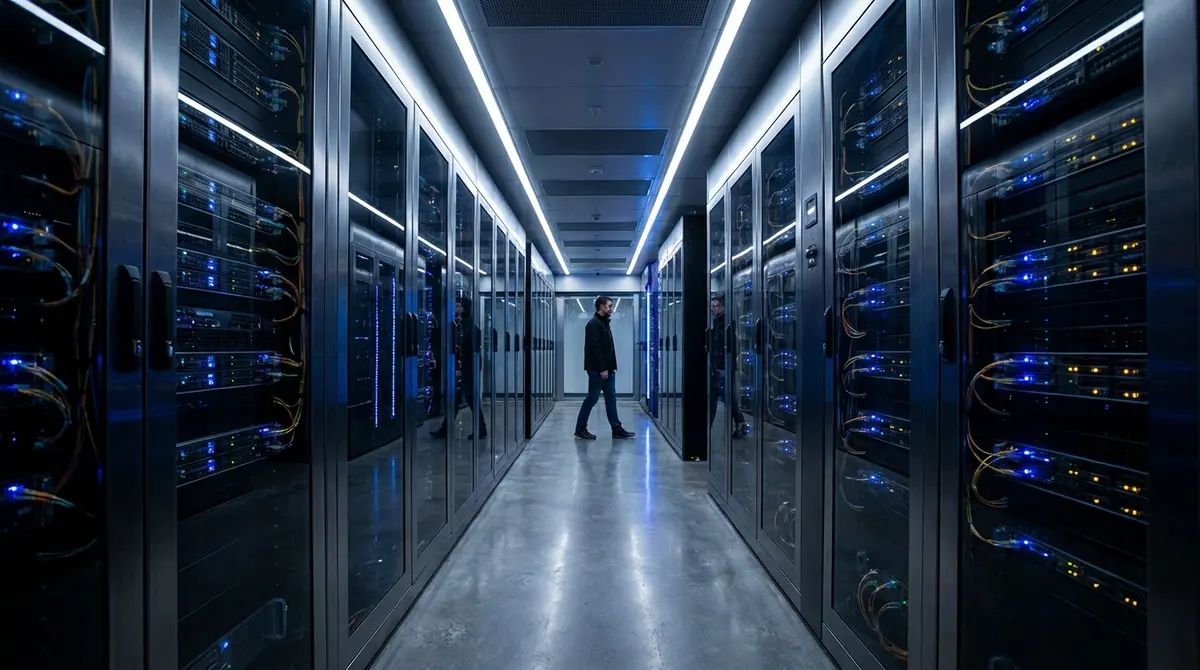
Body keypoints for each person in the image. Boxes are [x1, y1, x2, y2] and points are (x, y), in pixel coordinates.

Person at [574, 296, 635, 441]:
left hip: (607, 369)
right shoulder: (594, 324)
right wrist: (602, 369)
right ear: (601, 307)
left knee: (611, 399)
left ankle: (616, 428)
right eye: (609, 306)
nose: (611, 309)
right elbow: (594, 349)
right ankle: (580, 428)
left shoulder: (604, 323)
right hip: (598, 370)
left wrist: (609, 368)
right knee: (592, 398)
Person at [431, 294, 486, 440]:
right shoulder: (464, 324)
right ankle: (446, 429)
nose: (456, 308)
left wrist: (460, 368)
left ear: (464, 307)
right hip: (467, 367)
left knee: (469, 399)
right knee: (455, 399)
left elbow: (466, 347)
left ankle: (481, 429)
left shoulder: (467, 325)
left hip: (468, 368)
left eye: (458, 305)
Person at [709, 295, 749, 439]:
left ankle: (740, 422)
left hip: (724, 366)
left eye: (716, 306)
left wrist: (725, 364)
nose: (713, 309)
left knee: (726, 397)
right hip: (717, 364)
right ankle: (737, 423)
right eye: (712, 306)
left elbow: (729, 346)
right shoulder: (716, 322)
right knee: (716, 395)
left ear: (723, 306)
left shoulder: (727, 323)